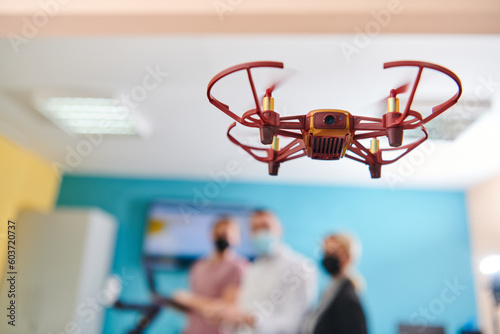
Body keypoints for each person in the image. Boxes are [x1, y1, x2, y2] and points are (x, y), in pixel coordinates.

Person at [175, 217, 249, 334]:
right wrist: (178, 302)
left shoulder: (239, 268)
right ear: (211, 235)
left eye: (227, 234)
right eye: (219, 233)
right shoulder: (198, 265)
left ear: (238, 238)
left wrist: (187, 299)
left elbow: (225, 309)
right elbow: (193, 308)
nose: (223, 237)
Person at [302, 233, 368, 334]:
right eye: (325, 252)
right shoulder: (331, 292)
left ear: (347, 257)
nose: (327, 257)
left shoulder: (347, 299)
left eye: (332, 252)